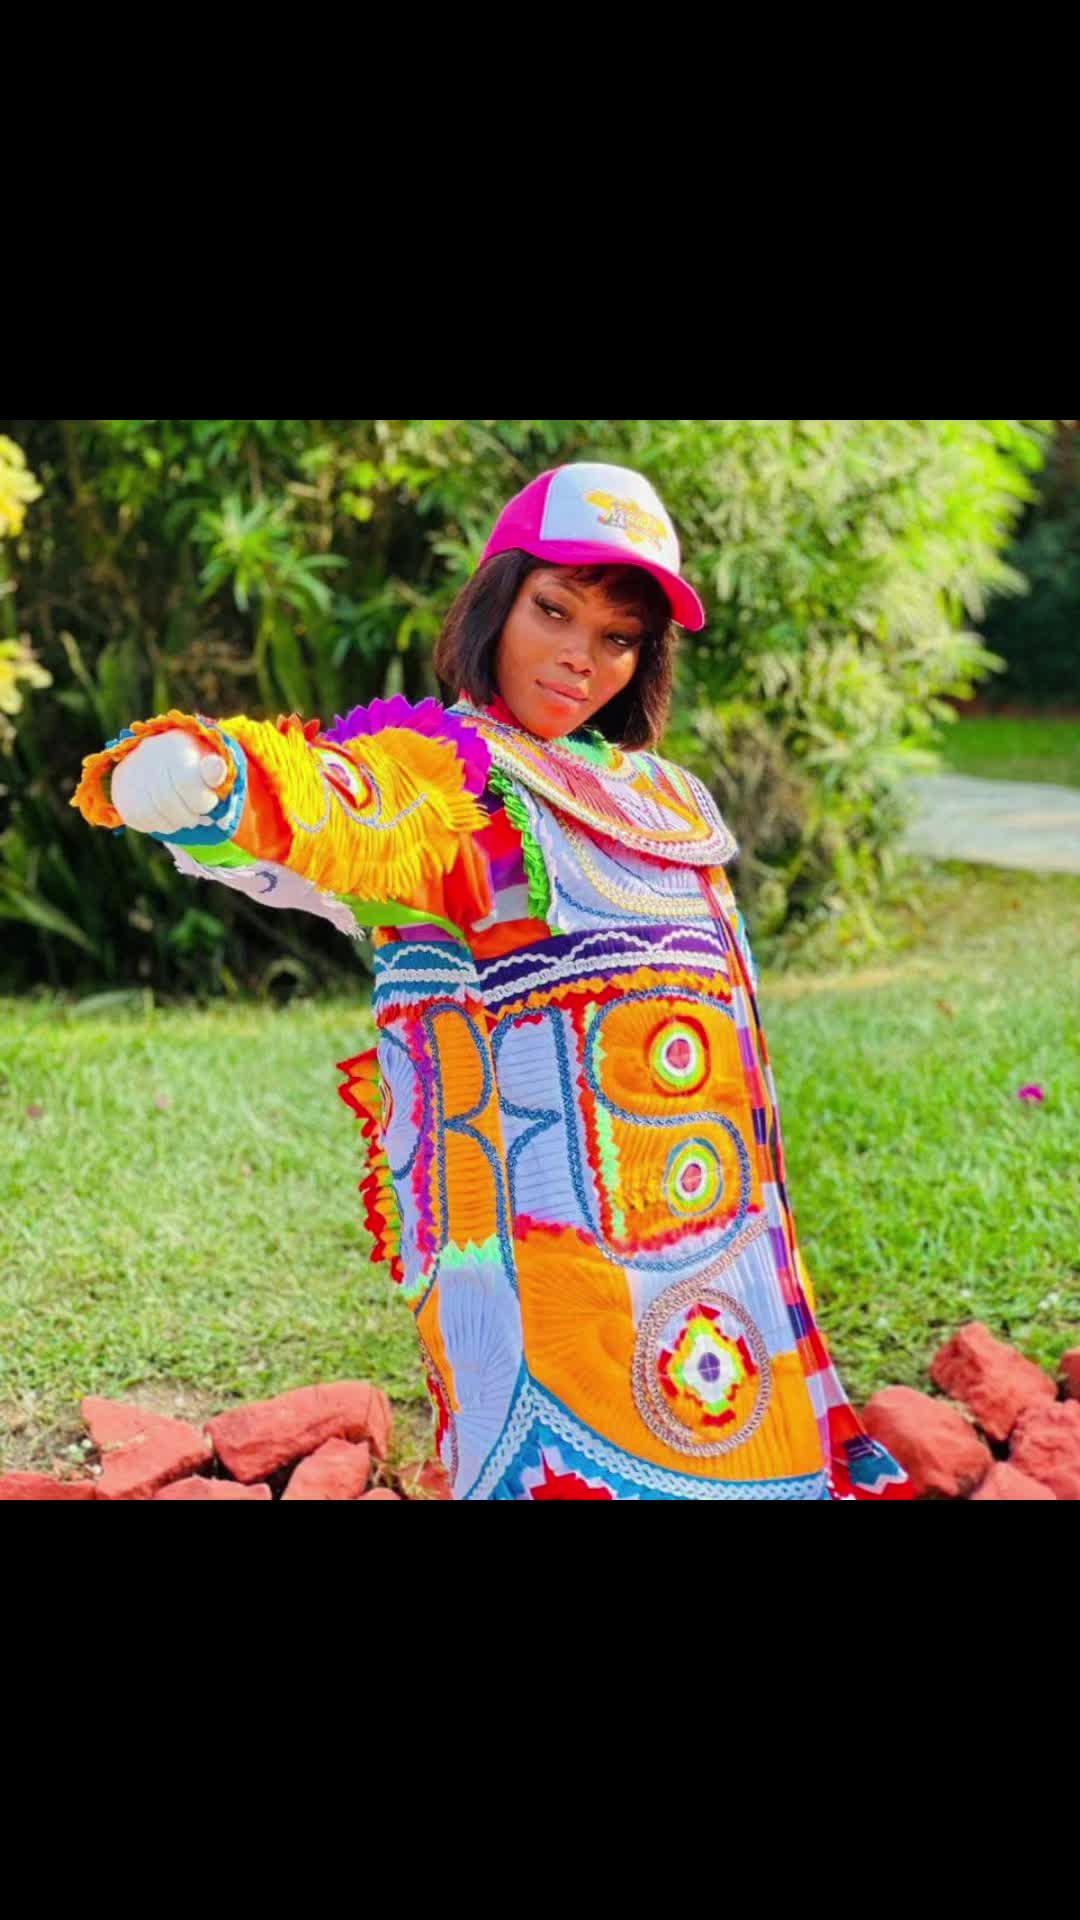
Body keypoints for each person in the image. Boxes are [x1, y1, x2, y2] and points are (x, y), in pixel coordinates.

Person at [72, 461, 911, 1501]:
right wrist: (213, 779)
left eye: (618, 637)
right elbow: (342, 806)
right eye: (553, 611)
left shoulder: (664, 798)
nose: (580, 658)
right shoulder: (452, 774)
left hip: (715, 1256)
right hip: (545, 1263)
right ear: (495, 601)